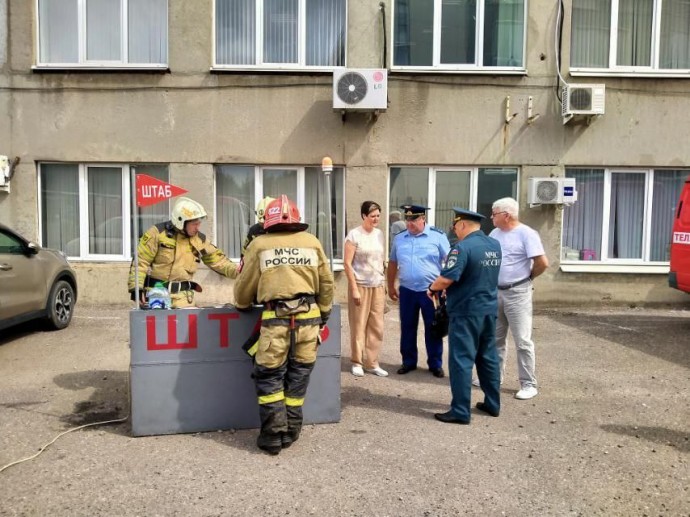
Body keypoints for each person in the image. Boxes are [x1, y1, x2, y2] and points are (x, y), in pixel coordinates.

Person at [234, 194, 334, 455]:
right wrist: (323, 314)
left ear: (268, 220)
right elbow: (327, 284)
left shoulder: (259, 244)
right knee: (298, 375)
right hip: (310, 320)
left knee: (269, 377)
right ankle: (292, 430)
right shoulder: (312, 242)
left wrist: (243, 304)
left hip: (275, 321)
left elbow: (244, 288)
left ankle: (273, 435)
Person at [428, 208, 502, 424]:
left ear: (462, 225)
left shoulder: (461, 248)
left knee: (461, 360)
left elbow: (446, 279)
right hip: (488, 310)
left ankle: (460, 411)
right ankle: (492, 404)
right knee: (488, 358)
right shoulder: (494, 245)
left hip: (466, 312)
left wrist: (432, 289)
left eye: (455, 226)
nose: (454, 230)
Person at [481, 197, 549, 400]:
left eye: (494, 214)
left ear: (506, 215)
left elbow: (542, 263)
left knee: (523, 340)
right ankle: (494, 377)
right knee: (495, 339)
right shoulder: (495, 233)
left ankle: (528, 383)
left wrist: (528, 278)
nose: (491, 217)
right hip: (496, 292)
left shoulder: (527, 234)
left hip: (518, 292)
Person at [128, 196, 238, 308]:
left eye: (198, 223)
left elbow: (220, 262)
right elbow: (140, 262)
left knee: (187, 325)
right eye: (194, 224)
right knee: (157, 325)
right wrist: (136, 288)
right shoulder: (157, 234)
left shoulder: (200, 240)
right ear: (181, 221)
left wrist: (241, 271)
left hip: (184, 299)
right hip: (157, 296)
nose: (198, 227)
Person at [387, 204, 451, 377]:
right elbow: (392, 263)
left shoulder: (437, 236)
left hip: (431, 292)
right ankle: (408, 362)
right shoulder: (400, 238)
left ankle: (435, 364)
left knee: (434, 327)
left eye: (413, 219)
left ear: (423, 218)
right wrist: (390, 285)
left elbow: (450, 262)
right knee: (407, 327)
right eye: (407, 219)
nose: (409, 223)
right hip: (407, 290)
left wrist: (446, 286)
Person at [343, 201, 387, 378]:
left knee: (377, 326)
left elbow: (381, 259)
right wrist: (353, 288)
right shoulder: (354, 235)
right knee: (358, 325)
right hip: (360, 285)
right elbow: (347, 263)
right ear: (363, 216)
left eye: (378, 215)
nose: (376, 219)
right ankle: (357, 362)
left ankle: (372, 363)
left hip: (378, 285)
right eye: (372, 216)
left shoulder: (380, 234)